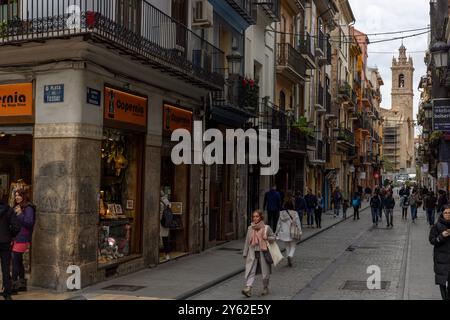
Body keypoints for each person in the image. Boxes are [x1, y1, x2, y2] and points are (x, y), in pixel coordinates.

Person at [242, 209, 276, 297]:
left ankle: (265, 287)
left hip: (263, 253)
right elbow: (247, 241)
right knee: (251, 270)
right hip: (252, 253)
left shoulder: (266, 228)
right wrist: (245, 253)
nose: (255, 218)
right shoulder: (250, 228)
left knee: (265, 273)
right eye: (253, 216)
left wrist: (267, 238)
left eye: (257, 216)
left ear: (261, 217)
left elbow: (274, 237)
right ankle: (248, 288)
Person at [11, 189, 36, 293]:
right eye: (16, 195)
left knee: (15, 260)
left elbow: (29, 223)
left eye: (19, 195)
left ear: (24, 196)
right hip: (16, 238)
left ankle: (13, 286)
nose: (17, 197)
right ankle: (22, 285)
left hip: (22, 238)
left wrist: (20, 214)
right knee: (19, 261)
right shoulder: (18, 207)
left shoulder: (28, 208)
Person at [0, 199, 20, 300]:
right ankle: (7, 293)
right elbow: (17, 227)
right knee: (6, 267)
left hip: (5, 240)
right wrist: (10, 235)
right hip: (5, 242)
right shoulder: (9, 209)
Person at [429, 205, 450, 300]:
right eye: (446, 213)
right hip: (441, 260)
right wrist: (442, 236)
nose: (448, 214)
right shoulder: (436, 226)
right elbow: (432, 240)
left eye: (449, 213)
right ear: (442, 214)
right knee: (442, 284)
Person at [276, 196, 302, 267]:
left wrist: (276, 232)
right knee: (293, 245)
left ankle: (288, 259)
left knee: (287, 245)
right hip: (292, 232)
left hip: (284, 232)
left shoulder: (281, 213)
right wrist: (300, 231)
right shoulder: (295, 213)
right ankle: (290, 256)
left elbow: (279, 223)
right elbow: (298, 223)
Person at [160, 190, 171, 261]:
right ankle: (167, 255)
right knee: (165, 238)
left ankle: (166, 254)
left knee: (163, 238)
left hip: (161, 221)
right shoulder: (167, 202)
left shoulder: (160, 203)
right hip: (166, 222)